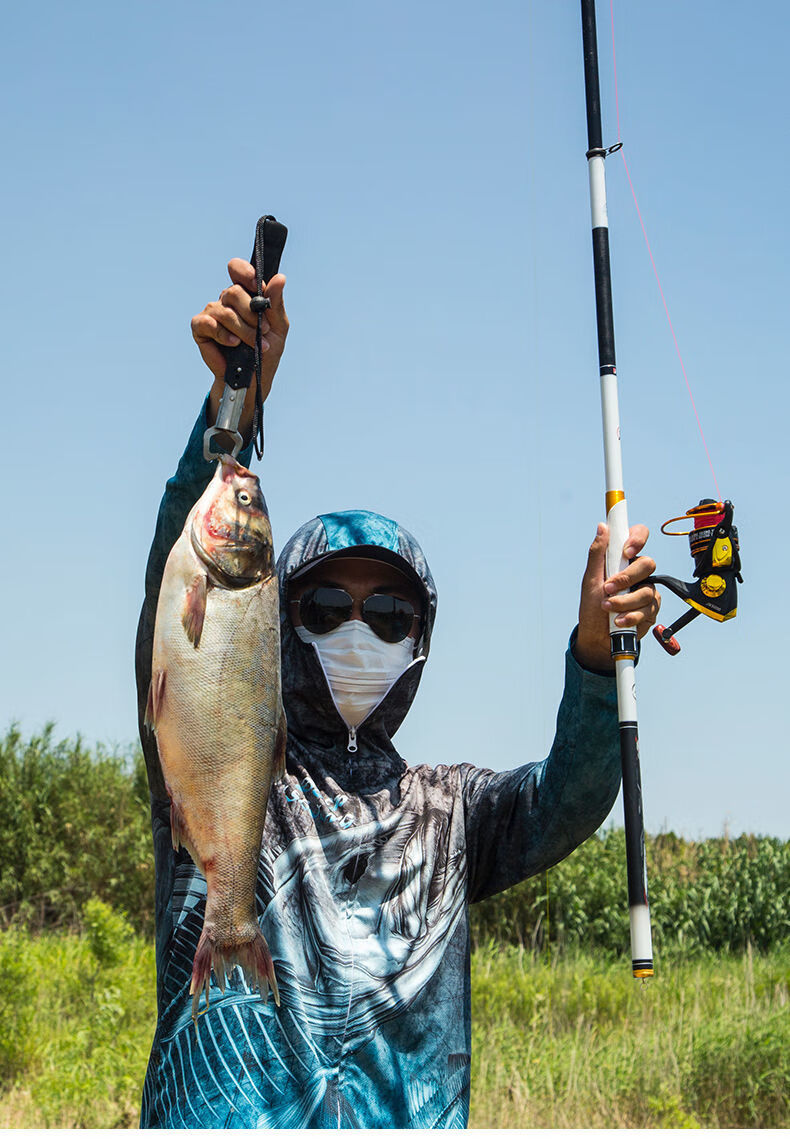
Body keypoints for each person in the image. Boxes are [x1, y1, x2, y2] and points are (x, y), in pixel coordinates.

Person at [135, 259, 660, 1129]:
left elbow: (571, 793)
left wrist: (598, 660)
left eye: (389, 612)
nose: (358, 628)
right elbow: (187, 591)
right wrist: (235, 402)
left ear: (421, 640)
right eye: (327, 604)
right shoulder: (214, 764)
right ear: (276, 618)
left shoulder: (452, 812)